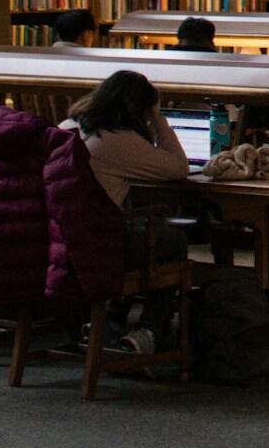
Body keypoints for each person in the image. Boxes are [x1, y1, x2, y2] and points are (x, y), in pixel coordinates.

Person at [61, 69, 191, 355]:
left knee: (130, 224)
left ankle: (109, 324)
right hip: (96, 247)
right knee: (172, 241)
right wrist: (159, 119)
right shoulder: (119, 139)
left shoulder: (66, 127)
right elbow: (178, 168)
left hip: (60, 242)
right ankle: (149, 332)